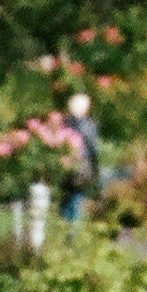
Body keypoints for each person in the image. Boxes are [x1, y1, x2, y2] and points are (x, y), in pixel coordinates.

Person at [61, 92, 101, 220]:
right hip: (81, 167)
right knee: (76, 200)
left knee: (66, 200)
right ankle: (72, 233)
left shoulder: (64, 123)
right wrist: (95, 169)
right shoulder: (88, 125)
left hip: (64, 166)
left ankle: (64, 228)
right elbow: (93, 149)